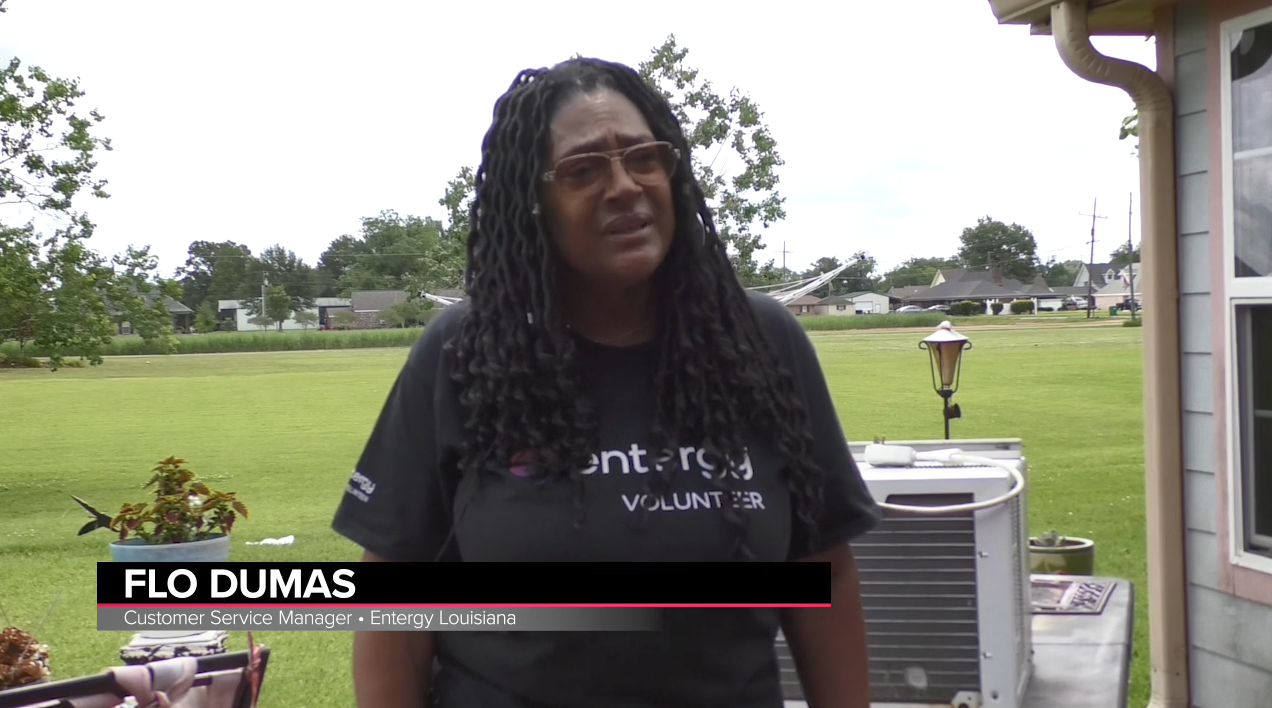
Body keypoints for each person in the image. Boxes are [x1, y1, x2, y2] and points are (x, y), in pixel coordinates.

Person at [330, 56, 881, 708]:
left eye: (644, 158)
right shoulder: (465, 354)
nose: (624, 186)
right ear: (534, 203)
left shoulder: (761, 342)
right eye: (583, 170)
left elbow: (824, 573)